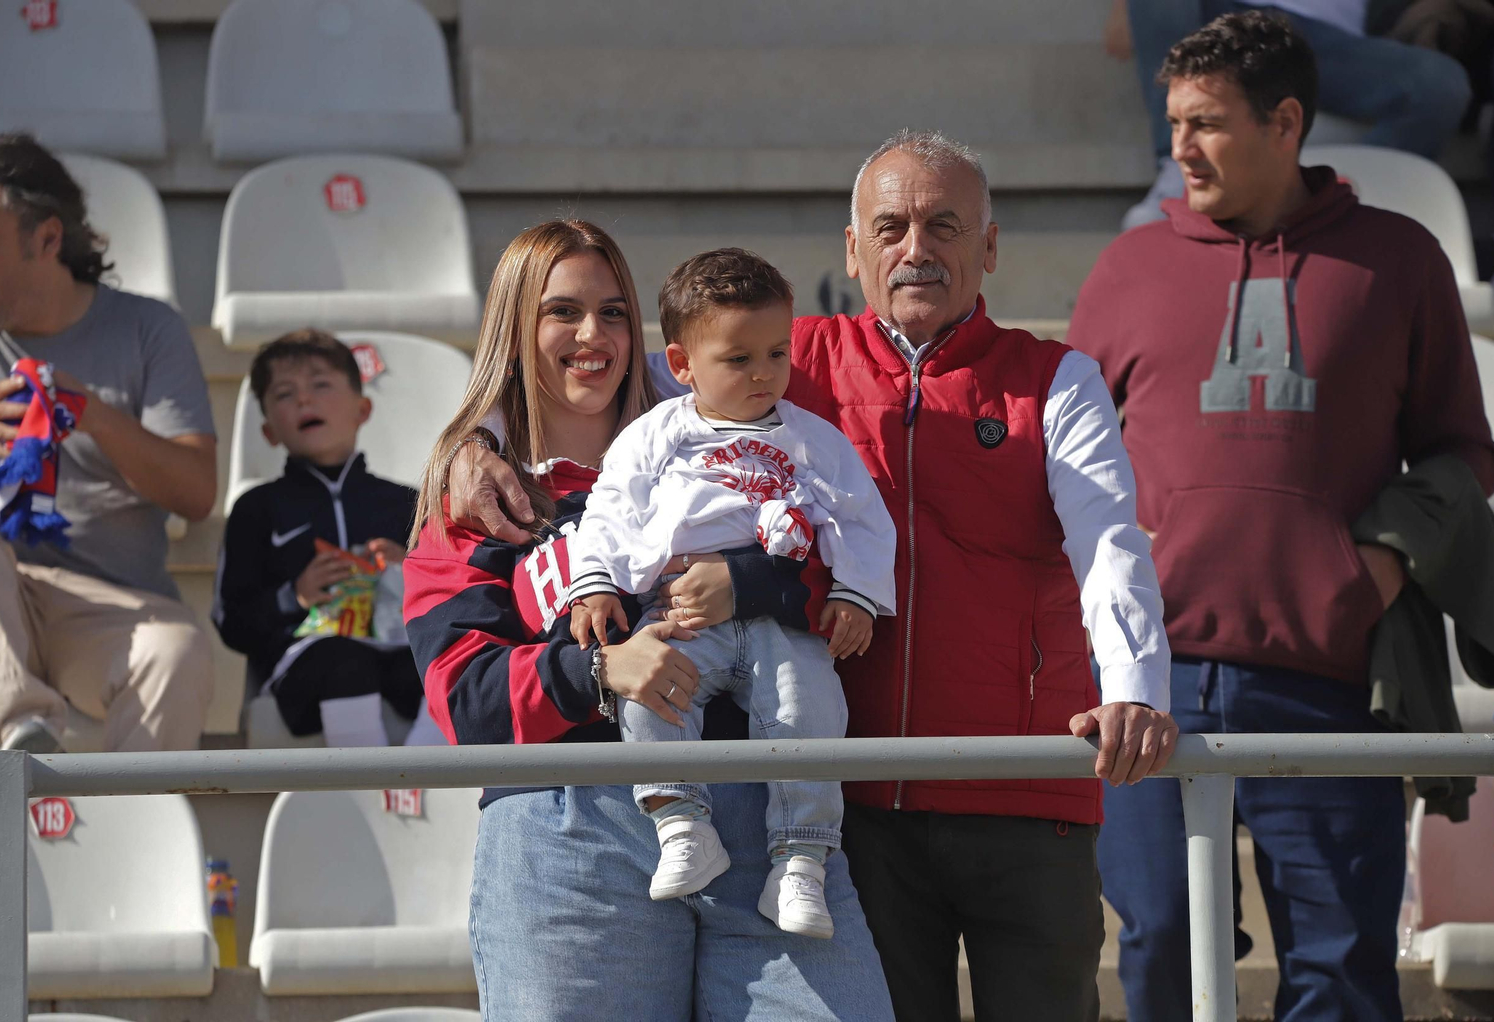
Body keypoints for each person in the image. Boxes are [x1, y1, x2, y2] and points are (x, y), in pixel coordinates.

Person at [446, 132, 1178, 1022]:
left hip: (1023, 786)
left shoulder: (1057, 378)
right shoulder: (787, 358)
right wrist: (472, 440)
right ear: (852, 249)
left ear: (988, 246)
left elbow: (1109, 543)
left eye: (945, 225)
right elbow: (588, 374)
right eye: (892, 226)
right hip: (859, 798)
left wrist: (1135, 688)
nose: (917, 248)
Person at [1068, 12, 1494, 1019]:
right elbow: (1070, 473)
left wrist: (1373, 569)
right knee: (1163, 946)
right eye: (1173, 120)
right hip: (1147, 685)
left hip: (1327, 679)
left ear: (1286, 123)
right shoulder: (1127, 267)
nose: (1178, 146)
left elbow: (1458, 452)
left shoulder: (1397, 261)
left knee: (1341, 969)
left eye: (1207, 123)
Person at [402, 219, 897, 1021]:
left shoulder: (738, 445)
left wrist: (745, 582)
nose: (592, 335)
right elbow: (463, 699)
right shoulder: (477, 503)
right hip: (572, 832)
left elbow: (839, 576)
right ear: (514, 331)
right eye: (562, 312)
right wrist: (598, 673)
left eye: (614, 312)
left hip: (767, 820)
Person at [568, 248, 896, 939]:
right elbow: (609, 511)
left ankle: (801, 860)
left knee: (811, 708)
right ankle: (682, 824)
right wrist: (594, 584)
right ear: (683, 365)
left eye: (777, 353)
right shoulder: (657, 434)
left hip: (783, 625)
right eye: (738, 358)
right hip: (679, 611)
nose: (763, 374)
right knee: (652, 696)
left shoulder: (815, 440)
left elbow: (863, 519)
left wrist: (858, 594)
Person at [0, 132, 217, 754]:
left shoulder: (146, 329)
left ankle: (128, 847)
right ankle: (23, 736)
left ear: (48, 239)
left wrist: (96, 416)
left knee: (178, 651)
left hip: (100, 613)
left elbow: (196, 492)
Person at [212, 329, 421, 747]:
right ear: (269, 431)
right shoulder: (257, 508)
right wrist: (296, 597)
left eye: (321, 385)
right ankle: (366, 791)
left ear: (362, 409)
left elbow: (450, 590)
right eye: (285, 394)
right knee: (344, 658)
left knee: (439, 663)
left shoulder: (409, 503)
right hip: (302, 664)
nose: (304, 400)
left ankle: (438, 791)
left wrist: (409, 569)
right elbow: (231, 621)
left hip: (395, 648)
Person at [1108, 0, 1472, 229]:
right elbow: (1121, 39)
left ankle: (1346, 210)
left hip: (1334, 44)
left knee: (1441, 85)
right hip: (1219, 21)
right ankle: (1180, 179)